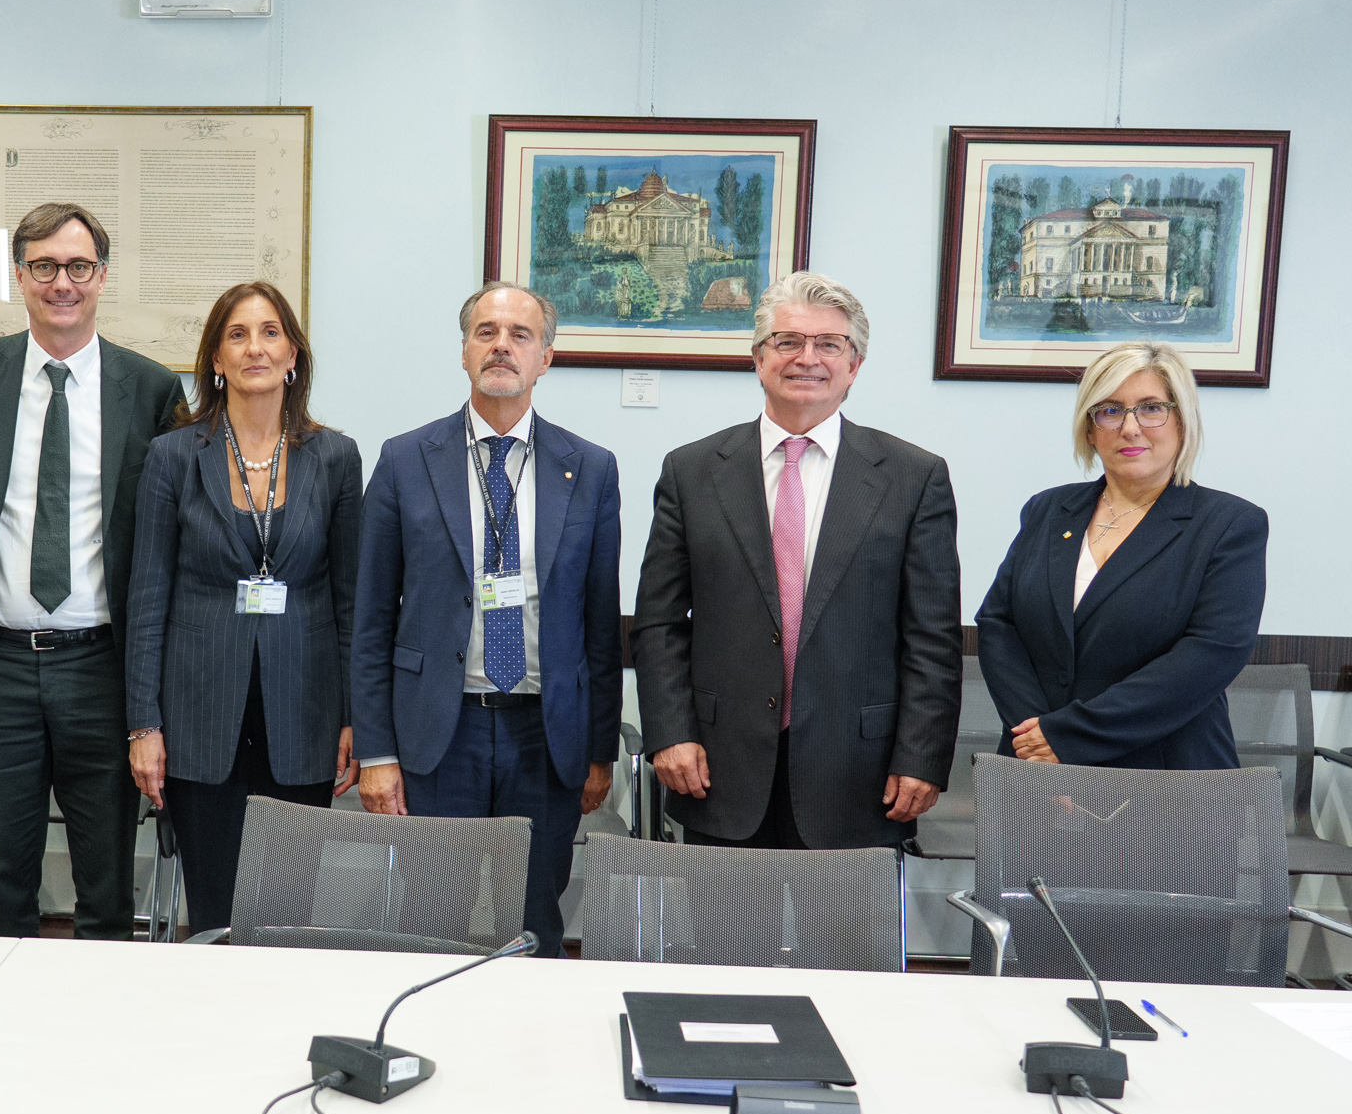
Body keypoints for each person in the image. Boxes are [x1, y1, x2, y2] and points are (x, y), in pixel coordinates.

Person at [632, 270, 960, 849]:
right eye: (788, 341)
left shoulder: (914, 477)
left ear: (854, 365)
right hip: (716, 766)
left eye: (828, 344)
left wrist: (922, 755)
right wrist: (669, 732)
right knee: (724, 915)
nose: (807, 358)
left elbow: (932, 636)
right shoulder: (692, 471)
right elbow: (659, 622)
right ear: (759, 358)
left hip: (861, 772)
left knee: (845, 917)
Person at [351, 282, 620, 957]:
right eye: (486, 332)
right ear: (465, 352)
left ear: (545, 358)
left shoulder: (590, 468)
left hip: (545, 735)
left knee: (534, 926)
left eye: (520, 335)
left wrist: (599, 751)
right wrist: (376, 754)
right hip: (440, 733)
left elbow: (599, 623)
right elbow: (371, 617)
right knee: (427, 921)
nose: (502, 345)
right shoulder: (405, 460)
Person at [0, 203, 185, 939]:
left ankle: (99, 1006)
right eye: (44, 266)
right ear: (19, 276)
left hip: (101, 668)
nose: (62, 283)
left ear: (102, 277)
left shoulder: (151, 389)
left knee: (106, 876)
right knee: (0, 873)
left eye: (79, 266)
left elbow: (168, 535)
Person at [123, 282, 363, 935]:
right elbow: (147, 598)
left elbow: (350, 601)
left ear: (292, 356)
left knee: (289, 914)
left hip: (305, 716)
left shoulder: (336, 458)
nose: (254, 347)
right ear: (215, 360)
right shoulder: (173, 456)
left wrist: (353, 715)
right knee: (214, 913)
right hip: (198, 718)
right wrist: (143, 725)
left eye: (269, 332)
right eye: (237, 335)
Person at [976, 340, 1266, 768]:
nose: (1130, 428)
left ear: (1182, 421)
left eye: (1151, 408)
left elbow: (1211, 653)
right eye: (1110, 410)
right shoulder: (1048, 509)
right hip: (1033, 764)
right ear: (1090, 430)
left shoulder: (1230, 524)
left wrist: (1068, 738)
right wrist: (1036, 738)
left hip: (1164, 774)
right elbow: (998, 624)